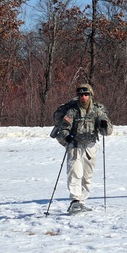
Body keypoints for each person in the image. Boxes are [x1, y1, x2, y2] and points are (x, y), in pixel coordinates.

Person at [50, 83, 112, 214]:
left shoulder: (97, 110)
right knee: (75, 173)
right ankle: (75, 201)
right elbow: (64, 128)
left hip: (90, 146)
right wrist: (67, 137)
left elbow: (107, 131)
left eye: (86, 94)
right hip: (75, 146)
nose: (83, 97)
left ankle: (82, 201)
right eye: (81, 95)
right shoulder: (72, 111)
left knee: (87, 176)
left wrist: (104, 125)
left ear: (91, 95)